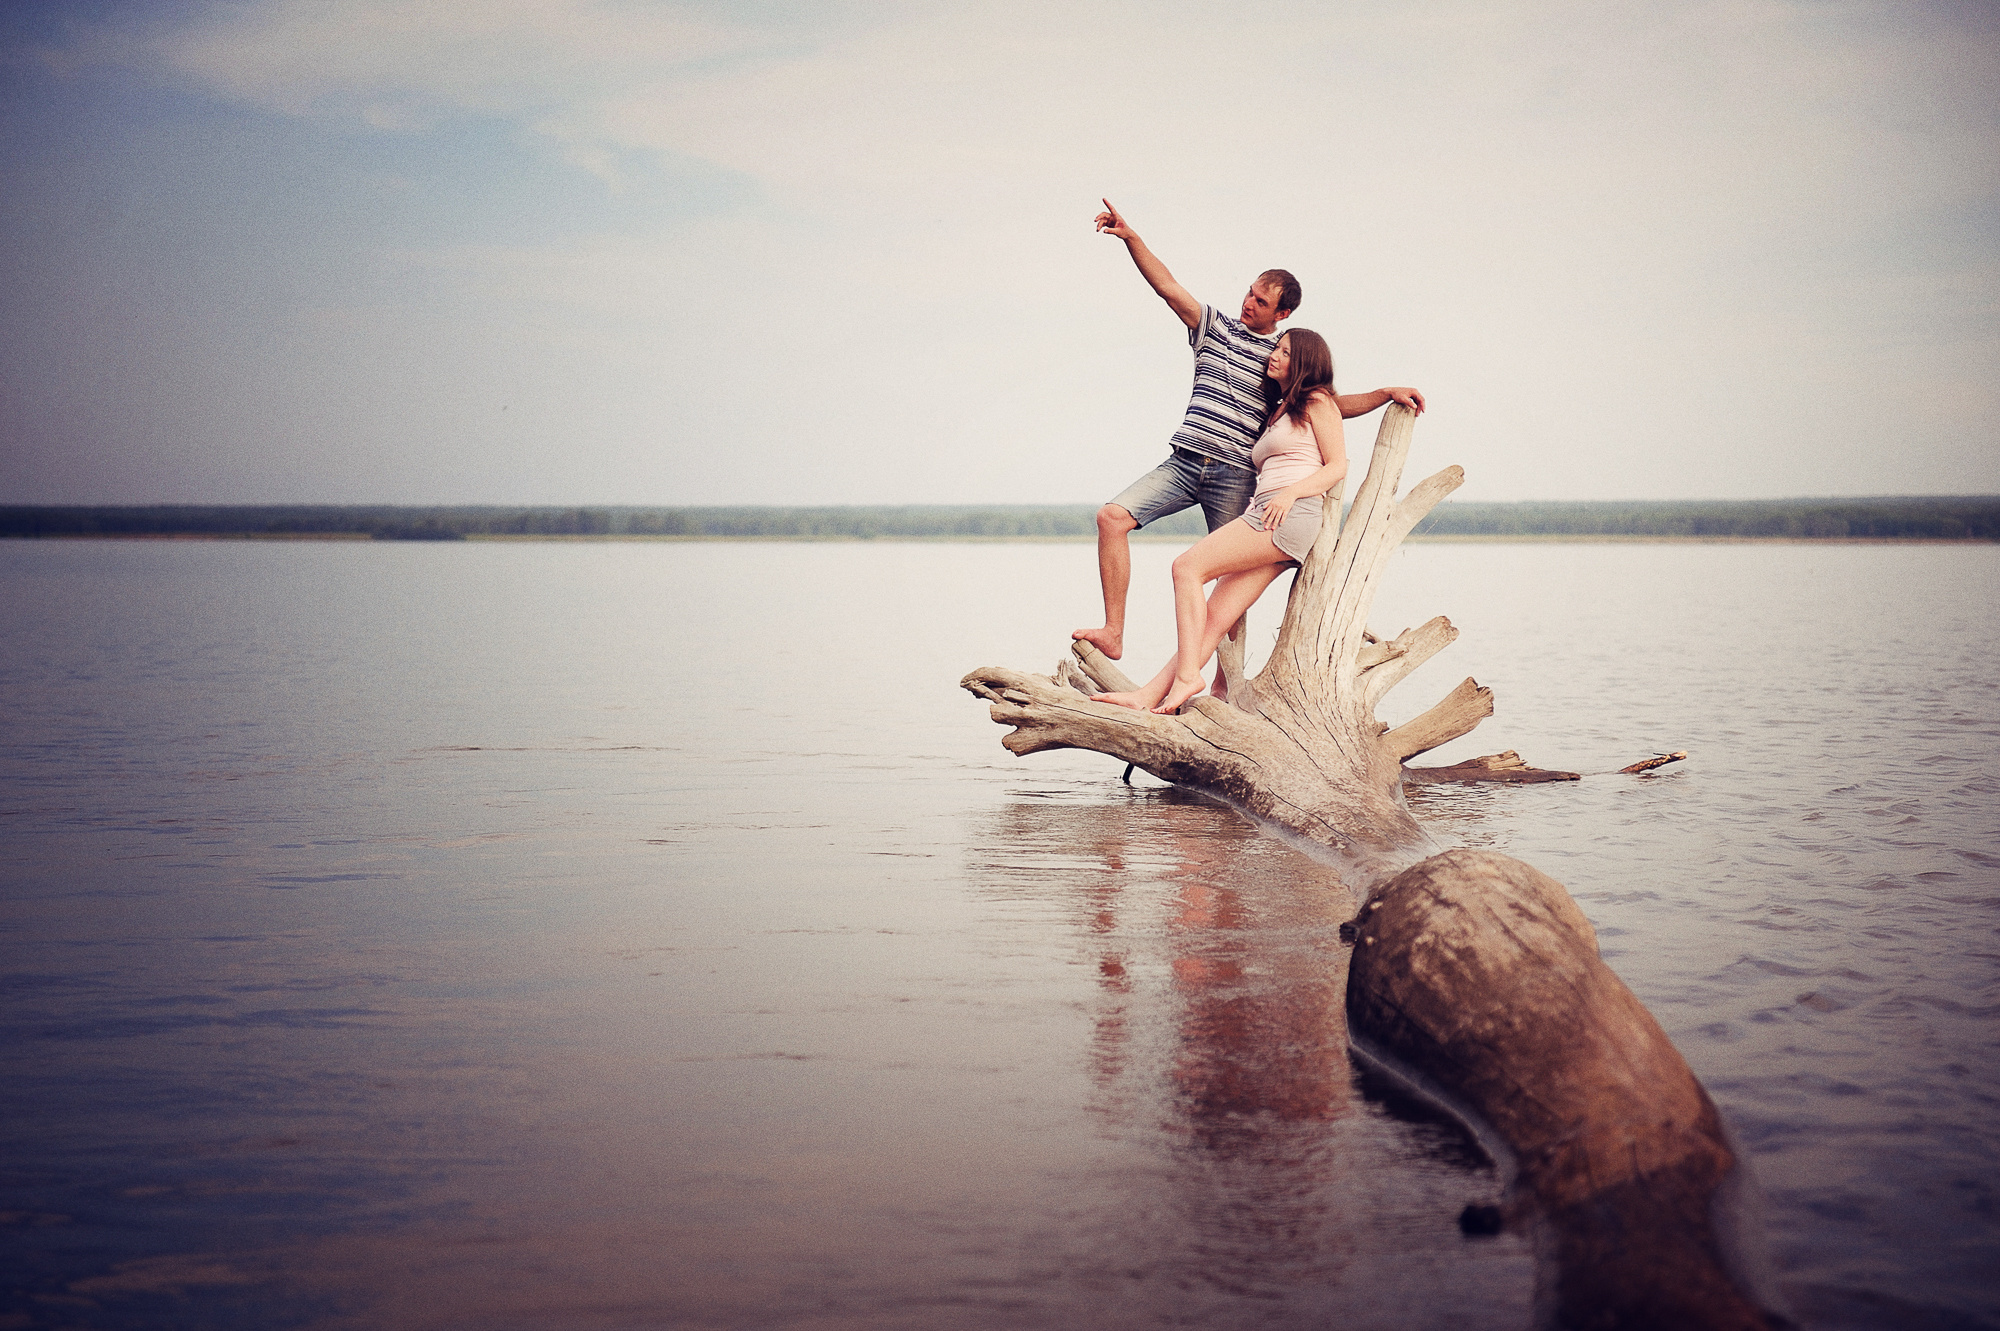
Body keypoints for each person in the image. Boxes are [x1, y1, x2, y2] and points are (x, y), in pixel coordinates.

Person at [1072, 200, 1423, 665]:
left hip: (1236, 476)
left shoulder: (1281, 359)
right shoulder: (1214, 328)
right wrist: (1132, 238)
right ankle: (1114, 632)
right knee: (1111, 518)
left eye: (1261, 301)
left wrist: (1383, 394)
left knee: (1228, 581)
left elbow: (1327, 406)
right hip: (1184, 462)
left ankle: (1225, 679)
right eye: (1250, 293)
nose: (1248, 303)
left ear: (1283, 312)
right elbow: (1167, 288)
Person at [1092, 328, 1347, 715]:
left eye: (1286, 352)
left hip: (1288, 515)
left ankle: (1187, 676)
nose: (1274, 356)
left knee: (1186, 568)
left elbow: (1338, 465)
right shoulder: (1282, 408)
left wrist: (1291, 493)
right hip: (1270, 515)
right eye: (1276, 348)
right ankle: (1148, 696)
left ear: (1306, 363)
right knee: (1212, 619)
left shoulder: (1318, 401)